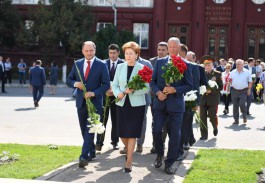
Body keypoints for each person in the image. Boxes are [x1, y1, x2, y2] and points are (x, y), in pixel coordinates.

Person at [151, 37, 193, 174]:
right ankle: (159, 154)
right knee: (156, 130)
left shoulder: (185, 64)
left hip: (176, 106)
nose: (173, 49)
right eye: (171, 47)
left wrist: (175, 89)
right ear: (168, 47)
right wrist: (157, 92)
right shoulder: (159, 62)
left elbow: (189, 85)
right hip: (160, 104)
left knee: (175, 135)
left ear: (179, 47)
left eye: (176, 47)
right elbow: (153, 82)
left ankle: (169, 163)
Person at [66, 41, 110, 168]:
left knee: (90, 129)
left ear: (95, 50)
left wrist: (94, 93)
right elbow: (69, 80)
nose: (89, 53)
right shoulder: (78, 63)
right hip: (80, 103)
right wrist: (76, 84)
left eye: (91, 50)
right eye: (86, 51)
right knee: (83, 129)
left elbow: (106, 85)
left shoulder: (101, 65)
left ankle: (83, 156)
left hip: (95, 103)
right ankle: (91, 151)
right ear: (83, 51)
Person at [112, 41, 149, 173]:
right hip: (122, 103)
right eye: (126, 53)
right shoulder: (120, 67)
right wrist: (119, 93)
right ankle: (129, 150)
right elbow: (114, 85)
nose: (128, 56)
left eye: (131, 53)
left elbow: (146, 88)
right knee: (122, 132)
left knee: (132, 133)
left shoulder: (142, 68)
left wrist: (134, 90)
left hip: (137, 105)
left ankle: (129, 162)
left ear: (137, 54)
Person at [95, 44, 124, 151]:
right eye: (110, 53)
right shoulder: (103, 64)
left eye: (114, 53)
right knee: (102, 120)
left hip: (117, 97)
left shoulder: (123, 64)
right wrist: (105, 90)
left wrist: (115, 91)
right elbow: (98, 79)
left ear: (118, 53)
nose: (112, 55)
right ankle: (99, 143)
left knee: (116, 120)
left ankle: (115, 142)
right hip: (104, 96)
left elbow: (124, 81)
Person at [149, 41, 169, 154]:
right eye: (159, 50)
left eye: (163, 50)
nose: (160, 52)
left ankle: (161, 143)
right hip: (154, 96)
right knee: (155, 122)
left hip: (168, 97)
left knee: (166, 123)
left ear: (167, 51)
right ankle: (155, 144)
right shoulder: (151, 61)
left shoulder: (170, 62)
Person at [199, 55, 223, 140]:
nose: (207, 66)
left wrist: (212, 91)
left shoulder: (217, 74)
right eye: (206, 65)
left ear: (212, 65)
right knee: (202, 117)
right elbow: (198, 85)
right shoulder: (201, 73)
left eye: (209, 65)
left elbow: (221, 87)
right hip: (203, 99)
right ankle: (204, 135)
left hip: (213, 99)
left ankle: (215, 126)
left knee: (212, 116)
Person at [229, 59, 252, 124]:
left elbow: (250, 82)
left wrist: (249, 89)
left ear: (243, 65)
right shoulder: (232, 72)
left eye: (239, 64)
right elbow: (230, 80)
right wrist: (229, 82)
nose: (237, 65)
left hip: (243, 90)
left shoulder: (247, 72)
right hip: (234, 90)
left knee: (242, 104)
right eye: (236, 64)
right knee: (235, 106)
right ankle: (236, 120)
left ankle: (244, 116)